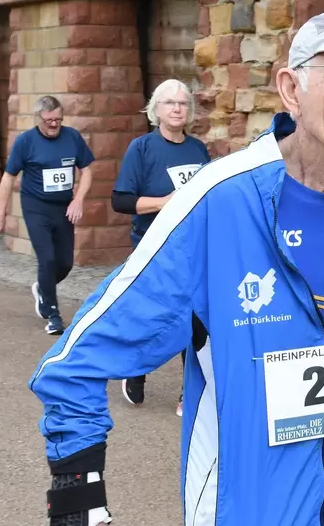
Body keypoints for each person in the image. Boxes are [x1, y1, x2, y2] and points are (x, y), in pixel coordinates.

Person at [30, 10, 324, 526]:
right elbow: (74, 365)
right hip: (248, 507)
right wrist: (78, 505)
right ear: (291, 89)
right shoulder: (217, 203)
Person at [110, 79, 211, 414]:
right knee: (156, 316)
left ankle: (189, 392)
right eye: (170, 103)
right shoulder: (142, 148)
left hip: (192, 248)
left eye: (183, 103)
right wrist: (165, 203)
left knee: (193, 318)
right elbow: (121, 201)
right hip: (153, 247)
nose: (178, 108)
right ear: (156, 110)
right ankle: (136, 369)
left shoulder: (198, 150)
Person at [0, 95, 95, 336]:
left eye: (58, 119)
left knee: (65, 263)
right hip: (36, 206)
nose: (54, 124)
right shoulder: (26, 142)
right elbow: (8, 178)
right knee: (47, 259)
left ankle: (42, 289)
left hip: (64, 206)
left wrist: (79, 199)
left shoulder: (72, 137)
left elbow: (87, 170)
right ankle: (53, 314)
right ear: (38, 118)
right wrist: (0, 214)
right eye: (49, 120)